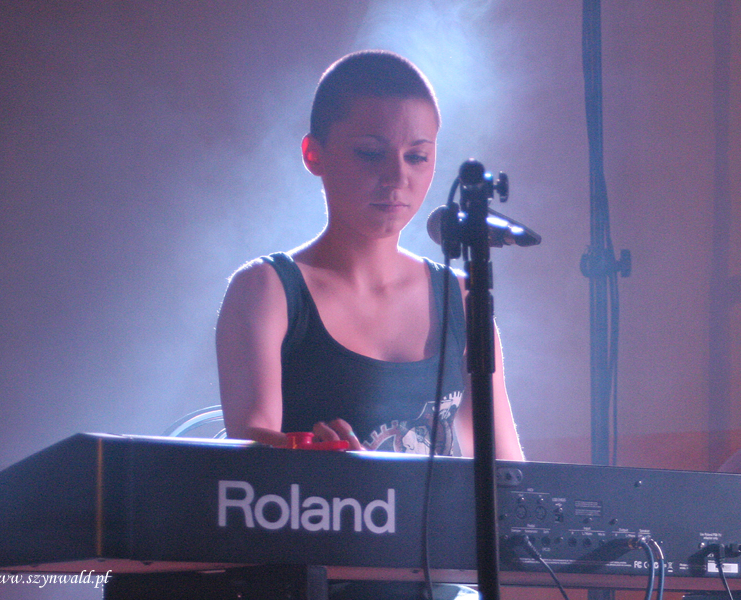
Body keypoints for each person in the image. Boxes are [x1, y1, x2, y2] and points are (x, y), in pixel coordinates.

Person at [216, 49, 523, 462]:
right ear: (314, 155)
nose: (397, 177)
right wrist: (326, 464)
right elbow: (248, 446)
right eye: (370, 152)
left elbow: (504, 466)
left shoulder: (464, 298)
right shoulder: (266, 290)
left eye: (417, 157)